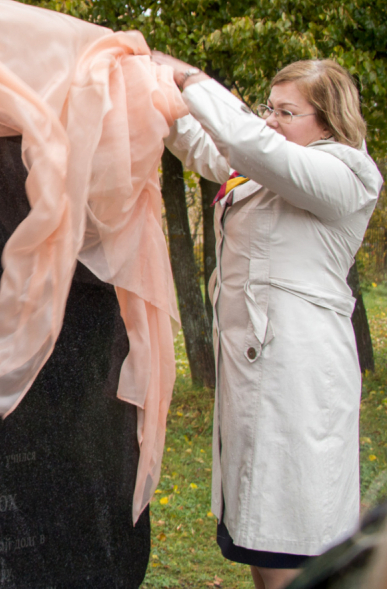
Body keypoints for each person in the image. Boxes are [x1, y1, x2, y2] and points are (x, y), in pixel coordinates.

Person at [152, 51, 383, 589]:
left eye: (285, 111)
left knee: (293, 542)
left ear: (328, 119)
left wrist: (190, 79)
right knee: (259, 535)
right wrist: (155, 96)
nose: (269, 120)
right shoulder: (270, 161)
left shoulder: (345, 172)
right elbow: (210, 147)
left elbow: (249, 145)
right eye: (268, 107)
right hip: (257, 375)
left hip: (298, 379)